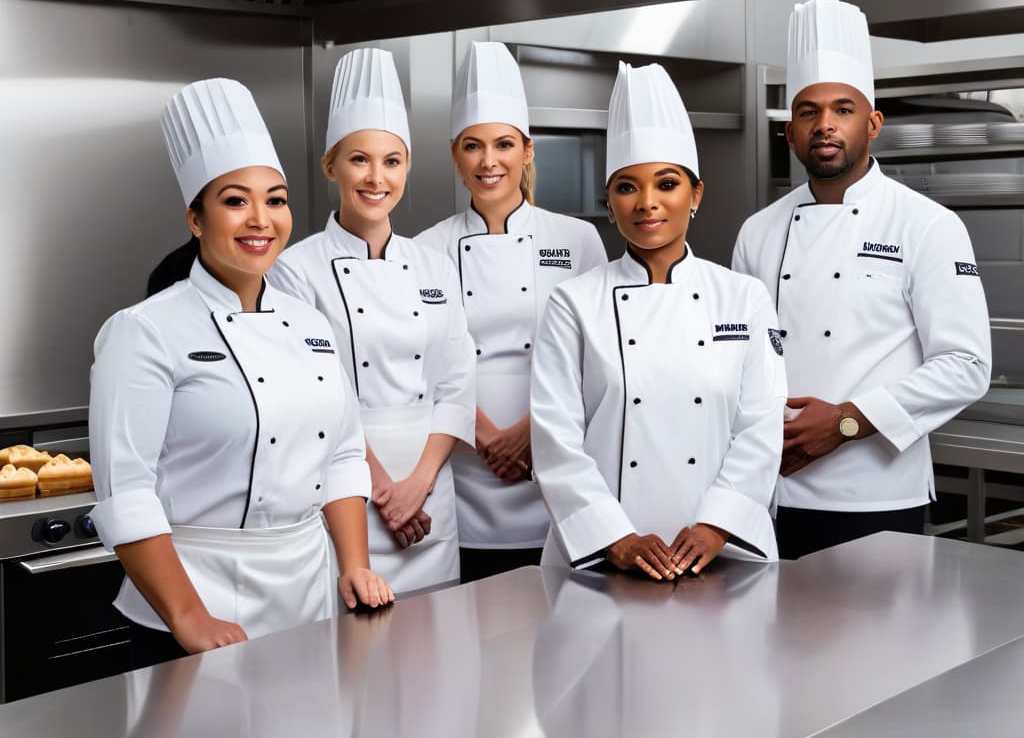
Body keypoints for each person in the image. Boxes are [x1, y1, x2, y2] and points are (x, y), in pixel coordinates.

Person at [90, 78, 393, 670]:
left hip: (308, 594)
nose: (261, 219)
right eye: (235, 200)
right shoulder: (143, 329)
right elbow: (126, 491)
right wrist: (188, 616)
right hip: (192, 595)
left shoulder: (311, 323)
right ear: (195, 219)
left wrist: (354, 564)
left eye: (276, 200)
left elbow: (341, 455)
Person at [732, 0, 992, 559]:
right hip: (768, 491)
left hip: (876, 496)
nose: (824, 125)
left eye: (843, 109)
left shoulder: (926, 224)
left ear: (872, 123)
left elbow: (967, 367)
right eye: (808, 111)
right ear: (790, 132)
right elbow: (742, 359)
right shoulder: (758, 231)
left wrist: (846, 421)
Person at [531, 62, 784, 580]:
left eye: (666, 184)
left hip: (720, 555)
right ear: (610, 202)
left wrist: (717, 526)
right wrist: (615, 537)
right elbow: (555, 438)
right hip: (602, 558)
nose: (646, 203)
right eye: (627, 188)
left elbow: (761, 425)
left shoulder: (743, 297)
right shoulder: (573, 302)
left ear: (695, 195)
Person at [270, 48, 476, 594]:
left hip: (431, 490)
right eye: (359, 159)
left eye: (392, 160)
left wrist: (420, 484)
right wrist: (383, 490)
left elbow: (457, 384)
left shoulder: (434, 265)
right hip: (346, 491)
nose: (376, 177)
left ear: (407, 166)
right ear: (330, 165)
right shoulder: (294, 270)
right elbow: (317, 399)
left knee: (439, 652)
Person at [415, 41, 607, 583]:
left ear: (527, 150)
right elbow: (426, 362)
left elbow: (599, 355)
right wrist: (482, 436)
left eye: (503, 144)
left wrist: (529, 433)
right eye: (472, 147)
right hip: (464, 472)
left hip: (555, 469)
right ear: (455, 155)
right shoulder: (425, 250)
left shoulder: (576, 239)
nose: (488, 161)